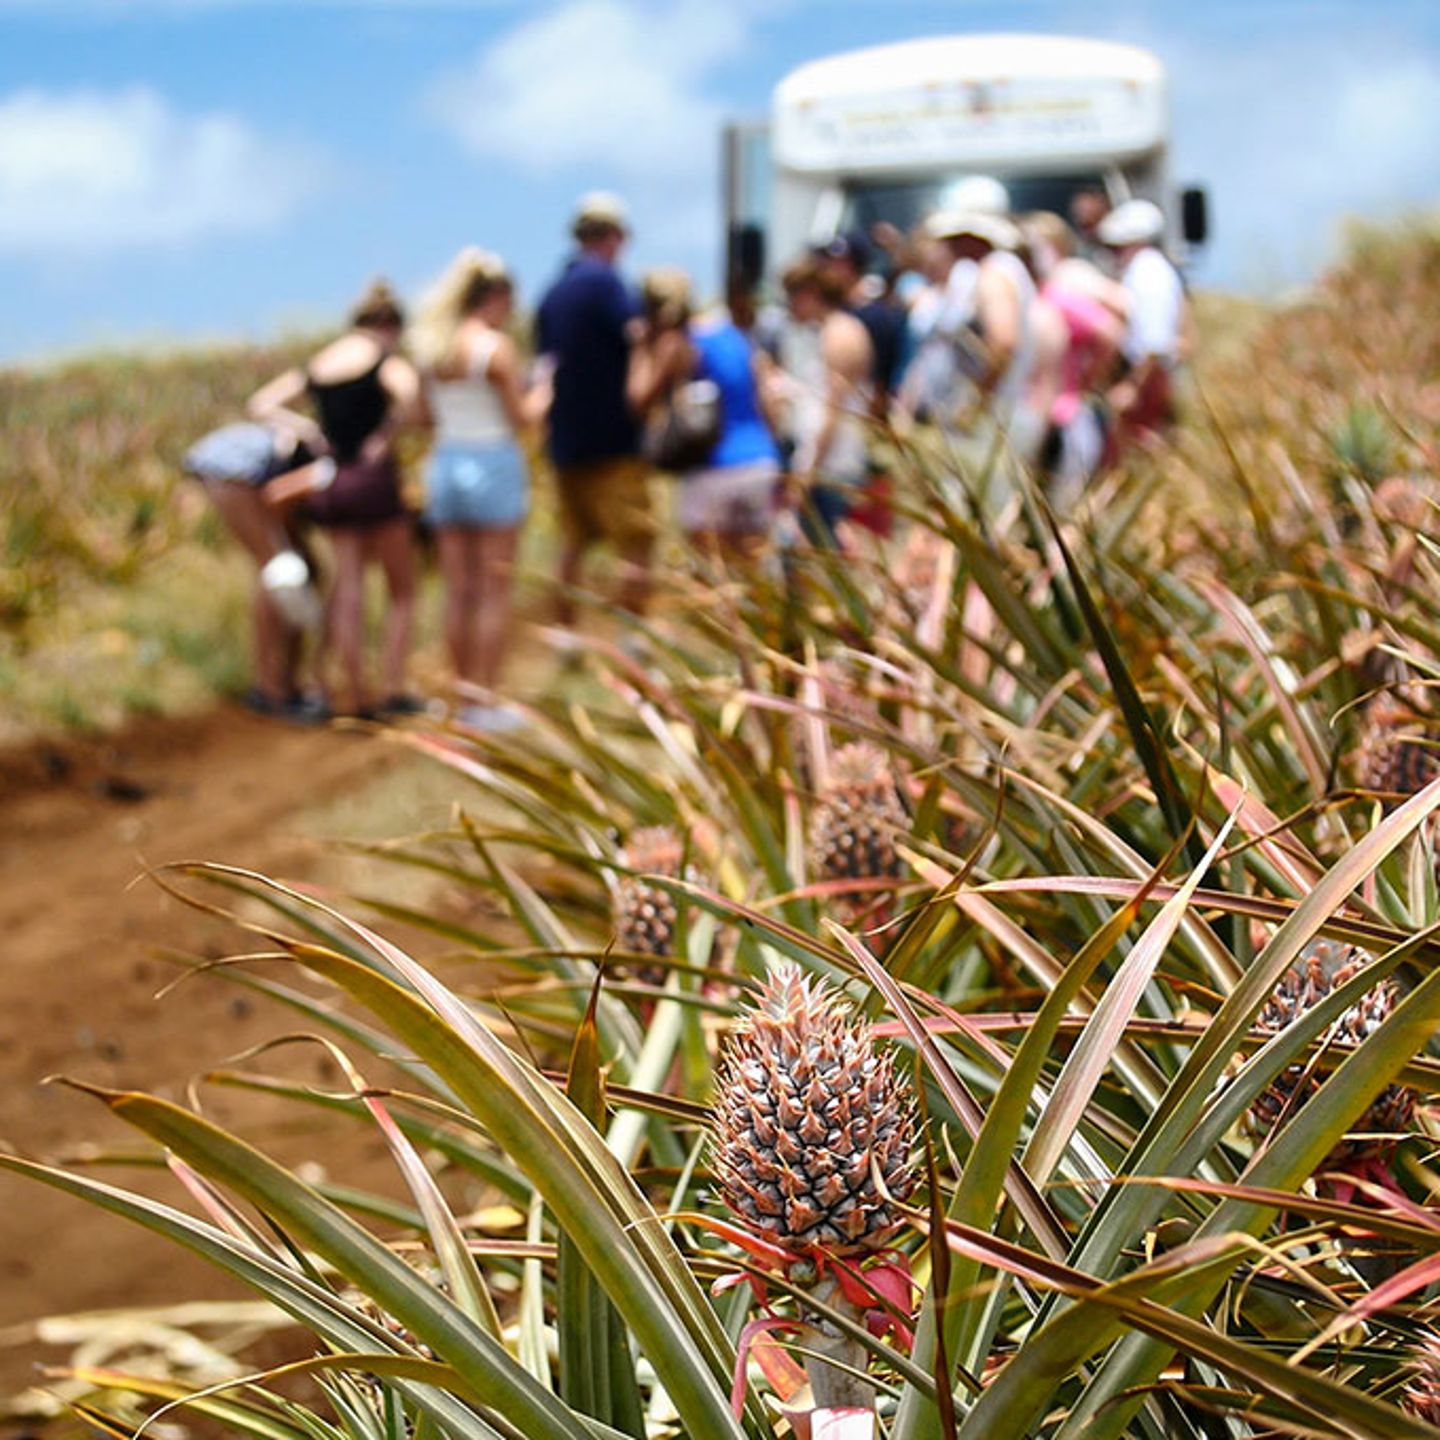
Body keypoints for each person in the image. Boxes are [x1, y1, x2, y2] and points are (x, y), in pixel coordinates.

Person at [249, 279, 423, 719]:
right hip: (373, 481)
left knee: (348, 588)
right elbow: (413, 399)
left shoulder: (322, 363)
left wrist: (308, 430)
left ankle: (352, 690)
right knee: (402, 589)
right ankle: (392, 687)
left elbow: (262, 403)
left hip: (333, 481)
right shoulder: (383, 359)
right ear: (389, 324)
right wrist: (386, 435)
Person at [411, 248, 542, 732]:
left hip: (445, 462)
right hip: (492, 461)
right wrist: (545, 392)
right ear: (497, 297)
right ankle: (484, 701)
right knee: (492, 590)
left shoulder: (433, 348)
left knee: (457, 591)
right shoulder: (494, 348)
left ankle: (459, 695)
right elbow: (522, 418)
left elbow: (421, 416)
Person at [536, 191, 651, 623]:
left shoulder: (552, 293)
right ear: (614, 237)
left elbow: (545, 366)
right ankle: (633, 638)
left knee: (573, 543)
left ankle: (566, 639)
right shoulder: (607, 284)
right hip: (615, 441)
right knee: (637, 539)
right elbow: (637, 337)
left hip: (566, 443)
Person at [181, 419, 326, 721]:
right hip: (234, 473)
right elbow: (277, 495)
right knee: (278, 570)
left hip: (230, 467)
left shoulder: (319, 455)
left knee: (287, 566)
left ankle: (279, 683)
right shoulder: (328, 468)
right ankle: (271, 689)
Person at [629, 271, 781, 556]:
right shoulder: (734, 335)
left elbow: (638, 399)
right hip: (759, 461)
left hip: (713, 467)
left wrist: (640, 347)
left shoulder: (677, 342)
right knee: (753, 574)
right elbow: (767, 401)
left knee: (709, 576)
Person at [1023, 211, 1130, 501]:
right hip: (1047, 418)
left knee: (1063, 508)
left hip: (1065, 418)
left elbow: (1110, 332)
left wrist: (1090, 376)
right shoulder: (1039, 295)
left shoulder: (1060, 294)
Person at [778, 256, 874, 547]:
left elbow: (833, 408)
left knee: (821, 556)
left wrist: (809, 470)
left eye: (793, 296)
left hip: (832, 465)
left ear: (810, 293)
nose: (789, 306)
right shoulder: (828, 331)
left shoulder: (839, 333)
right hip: (828, 462)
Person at [1097, 199, 1187, 450]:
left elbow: (1154, 343)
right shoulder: (1150, 270)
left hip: (1145, 376)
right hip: (1147, 374)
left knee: (1141, 448)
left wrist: (1132, 387)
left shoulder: (1148, 273)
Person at [1069, 185, 1112, 265]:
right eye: (1084, 226)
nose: (1089, 232)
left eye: (1095, 220)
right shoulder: (1074, 253)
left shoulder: (1123, 249)